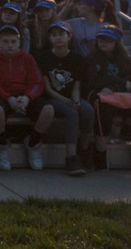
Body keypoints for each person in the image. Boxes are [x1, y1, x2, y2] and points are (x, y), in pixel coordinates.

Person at [0, 25, 51, 171]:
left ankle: (33, 143)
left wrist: (27, 97)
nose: (9, 45)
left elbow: (36, 81)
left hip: (24, 96)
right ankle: (1, 146)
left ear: (19, 43)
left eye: (13, 42)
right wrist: (9, 98)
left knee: (48, 110)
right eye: (6, 41)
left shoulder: (28, 58)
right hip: (3, 96)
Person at [86, 25, 131, 172]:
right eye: (101, 39)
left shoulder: (126, 59)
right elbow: (92, 81)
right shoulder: (91, 59)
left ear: (117, 42)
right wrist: (120, 81)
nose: (103, 42)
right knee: (103, 108)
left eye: (108, 40)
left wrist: (114, 87)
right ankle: (100, 151)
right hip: (99, 96)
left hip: (120, 96)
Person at [35, 21, 95, 176]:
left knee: (87, 110)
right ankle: (71, 157)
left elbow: (76, 85)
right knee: (72, 113)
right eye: (54, 35)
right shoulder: (43, 58)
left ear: (69, 36)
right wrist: (67, 102)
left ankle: (84, 148)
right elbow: (47, 87)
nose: (58, 38)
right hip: (52, 98)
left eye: (61, 34)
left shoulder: (77, 58)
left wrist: (75, 100)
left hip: (71, 96)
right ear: (49, 38)